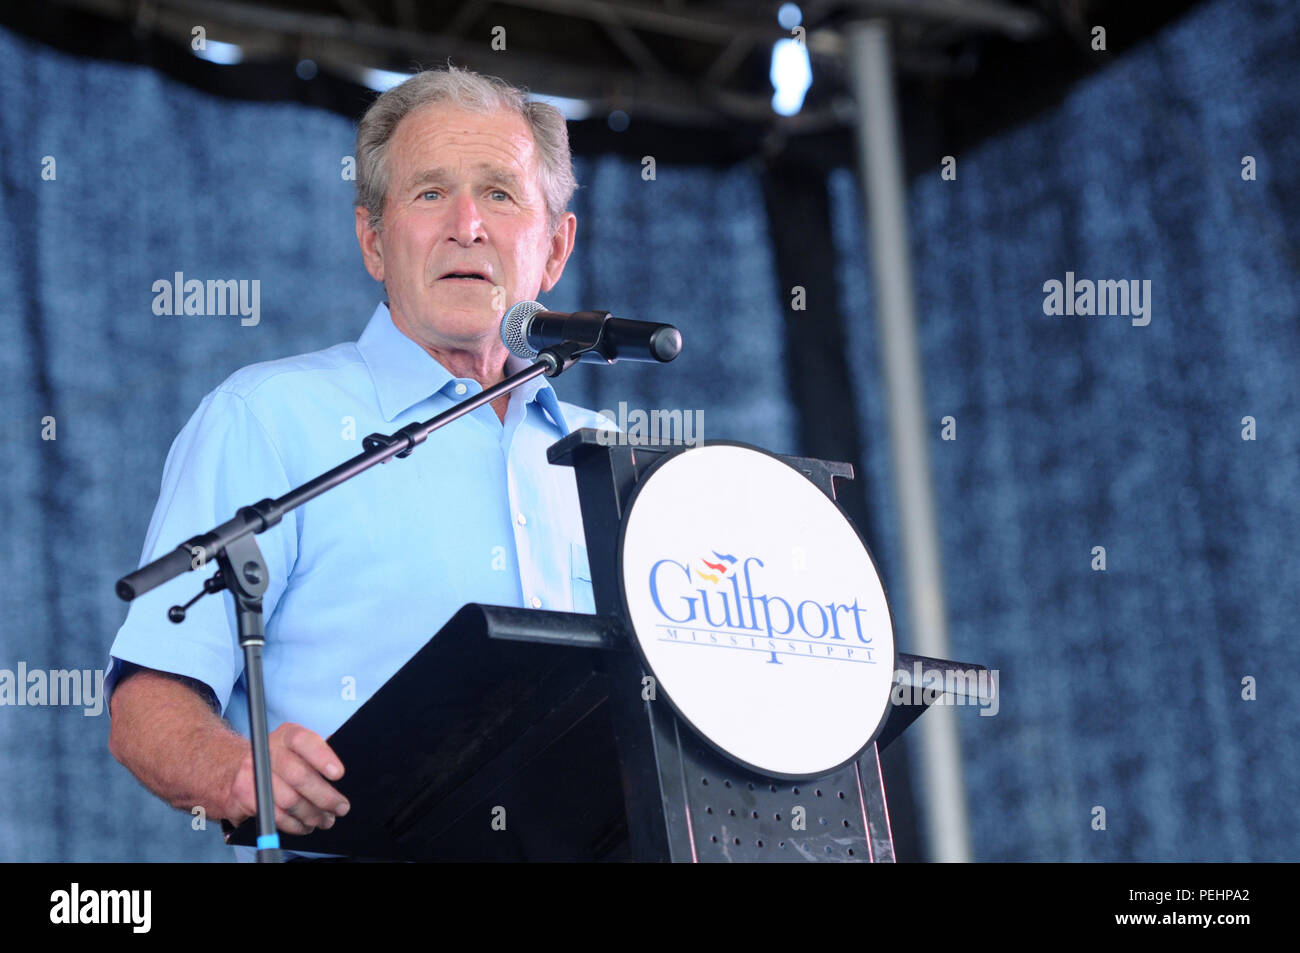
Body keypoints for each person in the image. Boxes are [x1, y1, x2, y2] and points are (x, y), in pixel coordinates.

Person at [106, 66, 611, 856]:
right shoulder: (268, 420)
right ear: (374, 239)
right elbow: (147, 701)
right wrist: (239, 770)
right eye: (429, 193)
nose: (467, 226)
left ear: (556, 249)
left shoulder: (616, 462)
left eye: (502, 195)